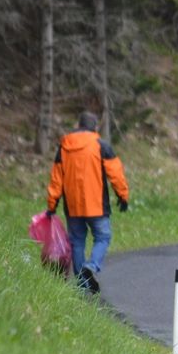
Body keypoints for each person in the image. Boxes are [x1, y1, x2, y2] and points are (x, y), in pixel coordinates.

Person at [46, 111, 129, 293]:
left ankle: (83, 284)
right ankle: (91, 266)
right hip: (97, 205)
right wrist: (122, 196)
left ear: (78, 125)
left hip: (73, 206)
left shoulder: (64, 146)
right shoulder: (101, 146)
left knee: (77, 242)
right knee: (103, 237)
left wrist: (52, 204)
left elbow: (56, 178)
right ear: (95, 127)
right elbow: (116, 174)